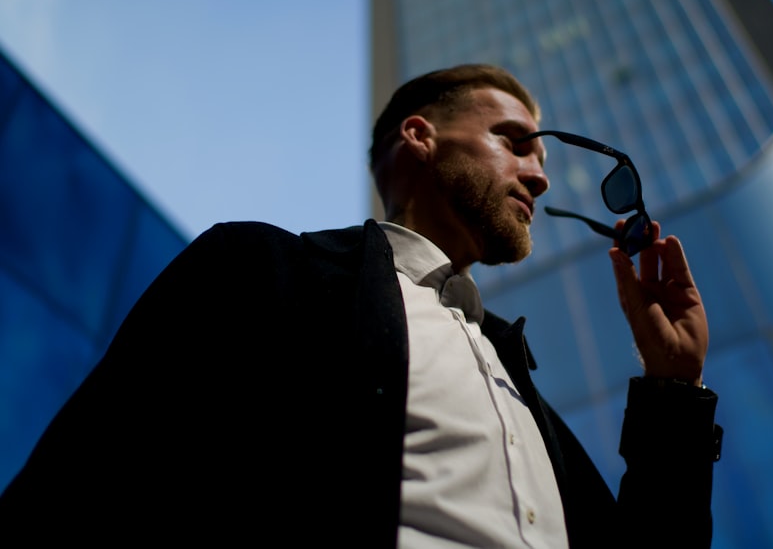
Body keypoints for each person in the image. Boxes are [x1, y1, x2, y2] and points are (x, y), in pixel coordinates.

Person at [0, 64, 722, 546]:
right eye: (514, 143)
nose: (538, 177)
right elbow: (88, 479)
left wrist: (674, 388)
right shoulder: (259, 270)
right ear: (419, 136)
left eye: (542, 161)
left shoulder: (527, 401)